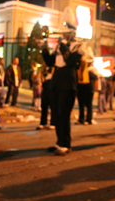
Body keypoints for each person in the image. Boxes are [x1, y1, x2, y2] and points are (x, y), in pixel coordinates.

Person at [41, 16, 84, 156]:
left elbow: (71, 61)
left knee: (64, 114)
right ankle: (59, 141)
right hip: (57, 81)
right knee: (56, 114)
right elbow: (50, 62)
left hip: (68, 83)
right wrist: (44, 48)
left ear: (71, 33)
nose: (63, 34)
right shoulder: (60, 46)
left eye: (66, 32)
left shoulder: (78, 46)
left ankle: (66, 144)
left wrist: (64, 45)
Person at [75, 50, 98, 125]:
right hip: (81, 89)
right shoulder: (80, 69)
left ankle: (89, 119)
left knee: (89, 105)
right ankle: (81, 119)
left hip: (89, 90)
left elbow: (95, 77)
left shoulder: (93, 70)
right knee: (81, 105)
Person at [36, 66, 55, 130]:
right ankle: (43, 123)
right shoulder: (43, 69)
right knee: (44, 105)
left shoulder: (54, 67)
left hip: (52, 87)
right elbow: (39, 76)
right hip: (45, 86)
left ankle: (53, 123)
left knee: (53, 106)